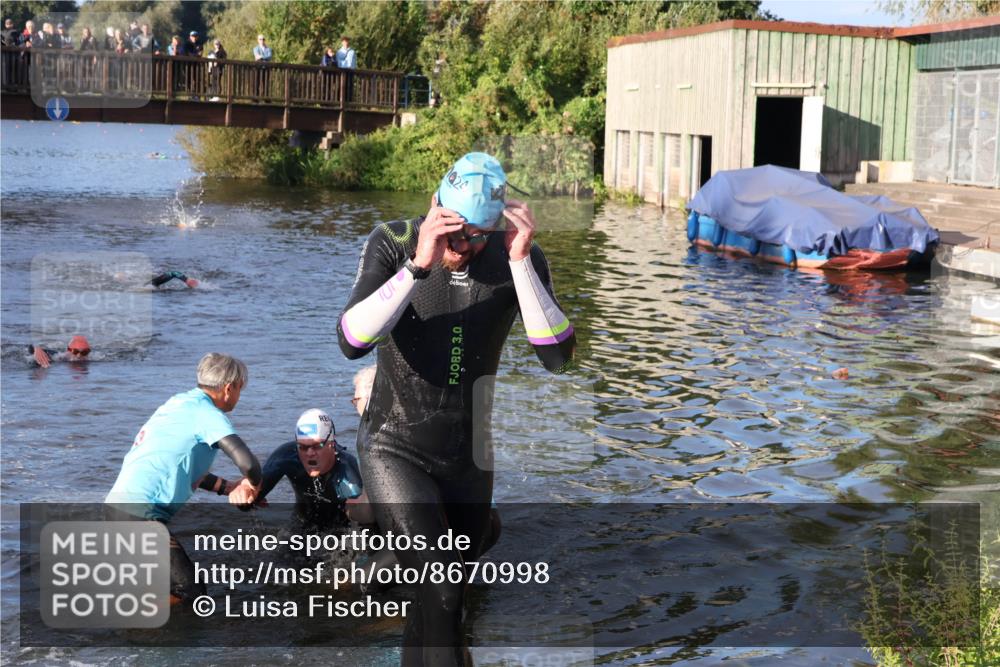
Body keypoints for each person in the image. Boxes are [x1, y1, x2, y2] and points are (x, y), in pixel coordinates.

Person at [337, 152, 575, 665]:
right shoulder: (396, 241)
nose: (462, 248)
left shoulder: (516, 257)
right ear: (434, 209)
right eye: (454, 233)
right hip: (394, 446)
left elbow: (556, 357)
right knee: (443, 582)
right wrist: (418, 266)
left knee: (441, 601)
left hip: (470, 458)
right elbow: (351, 340)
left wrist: (518, 263)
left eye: (475, 238)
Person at [105, 353, 263, 603]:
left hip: (120, 509)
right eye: (240, 389)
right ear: (229, 388)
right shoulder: (208, 415)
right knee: (190, 591)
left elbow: (182, 466)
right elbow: (249, 463)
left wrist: (228, 488)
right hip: (139, 515)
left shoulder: (178, 403)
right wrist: (253, 486)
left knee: (181, 587)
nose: (238, 397)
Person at [254, 409, 363, 533]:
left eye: (317, 446)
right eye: (303, 447)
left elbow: (369, 524)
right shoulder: (288, 457)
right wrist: (246, 496)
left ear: (331, 444)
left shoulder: (347, 474)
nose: (310, 453)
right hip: (299, 528)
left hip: (340, 536)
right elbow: (252, 496)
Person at [336, 36, 355, 103]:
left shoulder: (352, 51)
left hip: (350, 71)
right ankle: (339, 102)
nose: (346, 42)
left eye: (347, 41)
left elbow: (352, 62)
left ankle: (349, 102)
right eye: (344, 41)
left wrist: (345, 63)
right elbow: (339, 62)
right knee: (341, 86)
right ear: (342, 42)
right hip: (342, 71)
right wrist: (345, 63)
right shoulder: (339, 52)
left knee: (350, 87)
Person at [252, 34, 271, 99]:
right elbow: (257, 56)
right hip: (258, 68)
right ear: (258, 40)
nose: (262, 40)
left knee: (266, 83)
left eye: (263, 39)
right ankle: (256, 97)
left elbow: (269, 56)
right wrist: (264, 58)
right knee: (256, 82)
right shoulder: (255, 48)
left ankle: (265, 97)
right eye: (260, 39)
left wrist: (261, 57)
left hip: (266, 68)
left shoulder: (268, 49)